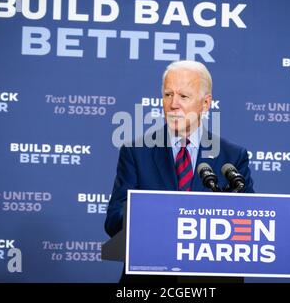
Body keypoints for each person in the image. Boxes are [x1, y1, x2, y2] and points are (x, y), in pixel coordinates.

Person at [105, 60, 254, 283]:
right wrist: (147, 214)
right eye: (167, 94)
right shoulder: (136, 152)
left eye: (184, 96)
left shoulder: (232, 157)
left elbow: (249, 227)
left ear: (205, 104)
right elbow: (113, 222)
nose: (173, 104)